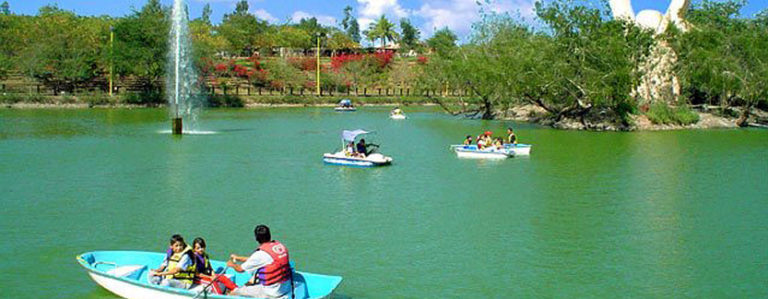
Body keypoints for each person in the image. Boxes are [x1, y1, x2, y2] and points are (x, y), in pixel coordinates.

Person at [227, 225, 293, 299]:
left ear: (257, 238)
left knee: (234, 292)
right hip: (286, 287)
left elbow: (240, 269)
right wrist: (238, 258)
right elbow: (257, 260)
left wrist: (231, 265)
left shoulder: (260, 254)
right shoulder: (280, 246)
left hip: (272, 292)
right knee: (255, 273)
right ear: (269, 235)